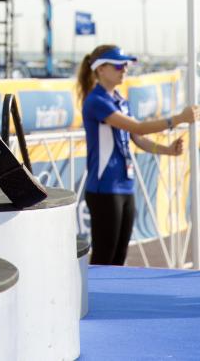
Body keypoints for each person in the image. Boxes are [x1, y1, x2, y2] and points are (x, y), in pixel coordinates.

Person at [78, 43, 199, 265]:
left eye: (125, 65)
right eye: (118, 66)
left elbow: (137, 138)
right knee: (104, 258)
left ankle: (113, 299)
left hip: (125, 185)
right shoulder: (96, 101)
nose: (124, 69)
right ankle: (97, 300)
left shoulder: (120, 101)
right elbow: (138, 128)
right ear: (100, 69)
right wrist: (178, 119)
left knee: (119, 257)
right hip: (104, 187)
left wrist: (167, 150)